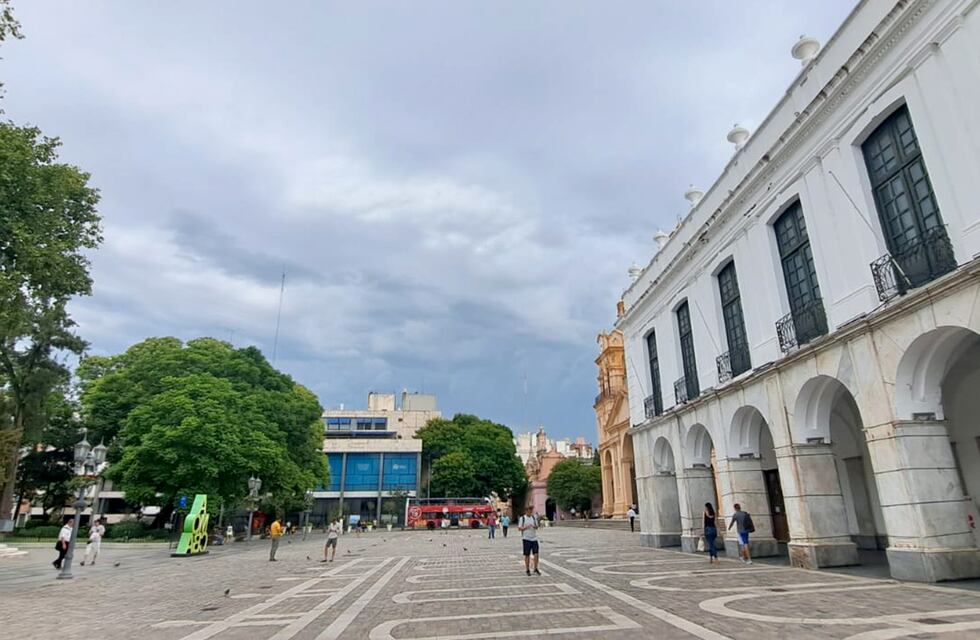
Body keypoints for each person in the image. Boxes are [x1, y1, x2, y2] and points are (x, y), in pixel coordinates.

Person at [518, 506, 540, 576]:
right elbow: (519, 528)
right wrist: (526, 527)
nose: (530, 512)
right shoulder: (523, 518)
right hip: (526, 539)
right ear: (526, 511)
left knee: (536, 554)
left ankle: (535, 568)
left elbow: (537, 526)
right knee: (527, 555)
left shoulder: (534, 518)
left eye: (531, 511)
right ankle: (527, 569)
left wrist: (535, 527)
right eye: (529, 511)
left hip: (534, 538)